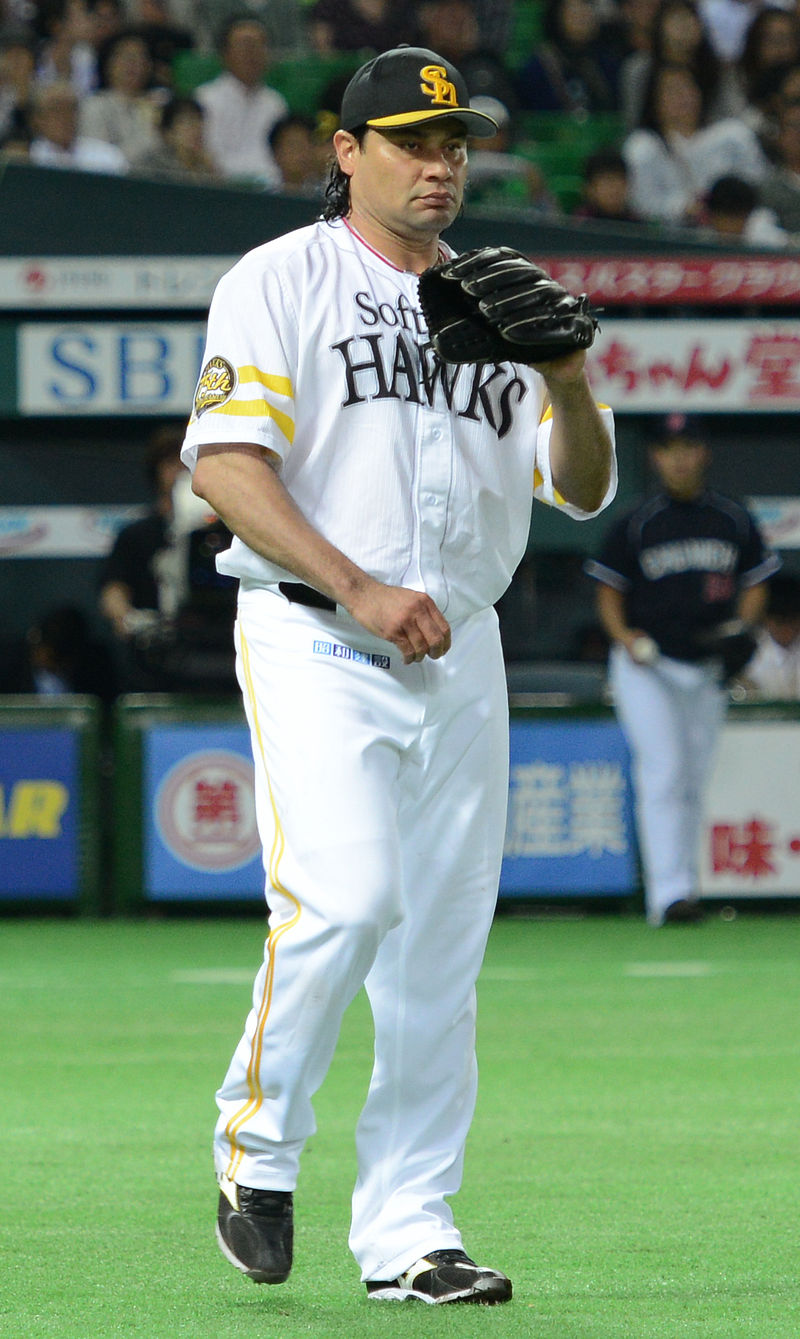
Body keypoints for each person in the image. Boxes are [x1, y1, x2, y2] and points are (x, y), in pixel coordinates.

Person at [182, 42, 616, 1305]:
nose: (439, 163)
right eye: (412, 142)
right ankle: (257, 1147)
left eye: (454, 143)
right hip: (319, 633)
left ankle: (410, 1232)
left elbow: (580, 485)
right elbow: (227, 465)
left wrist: (569, 378)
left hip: (461, 649)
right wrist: (359, 584)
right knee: (347, 895)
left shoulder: (503, 292)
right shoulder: (282, 279)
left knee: (438, 956)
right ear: (346, 152)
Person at [586, 413, 779, 926]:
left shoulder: (732, 518)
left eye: (687, 445)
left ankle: (684, 890)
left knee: (692, 779)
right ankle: (667, 897)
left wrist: (742, 627)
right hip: (648, 665)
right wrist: (625, 638)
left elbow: (757, 579)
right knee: (665, 773)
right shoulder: (638, 521)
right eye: (668, 447)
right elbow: (608, 591)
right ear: (654, 456)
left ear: (704, 452)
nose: (678, 456)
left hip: (708, 665)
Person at [622, 62, 770, 225]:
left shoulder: (733, 134)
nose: (683, 97)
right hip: (676, 234)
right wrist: (684, 207)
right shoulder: (643, 146)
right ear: (654, 101)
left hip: (738, 225)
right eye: (673, 91)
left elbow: (759, 182)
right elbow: (641, 202)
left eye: (688, 88)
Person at [194, 15, 288, 184]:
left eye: (259, 46)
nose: (251, 54)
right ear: (225, 53)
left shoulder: (276, 103)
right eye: (244, 46)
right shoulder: (204, 99)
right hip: (217, 188)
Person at [29, 78, 128, 170]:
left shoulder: (108, 157)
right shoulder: (28, 159)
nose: (64, 117)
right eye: (56, 110)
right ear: (39, 119)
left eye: (70, 109)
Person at [129, 93, 219, 181]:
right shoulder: (151, 165)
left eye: (199, 122)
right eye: (188, 123)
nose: (196, 130)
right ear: (168, 133)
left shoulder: (205, 165)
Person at [741, 573, 800, 697]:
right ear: (765, 619)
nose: (787, 630)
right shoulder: (748, 651)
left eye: (793, 622)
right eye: (780, 622)